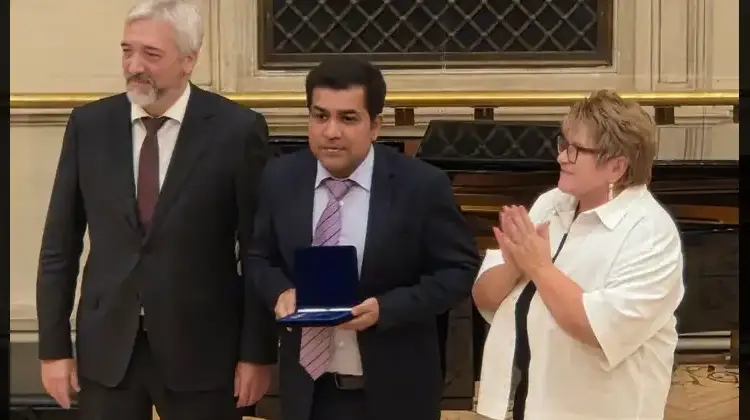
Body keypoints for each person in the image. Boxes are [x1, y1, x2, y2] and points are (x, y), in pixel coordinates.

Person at [35, 1, 276, 419]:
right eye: (127, 51)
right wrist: (53, 349)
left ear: (188, 61)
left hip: (202, 352)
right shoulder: (90, 125)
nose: (134, 66)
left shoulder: (237, 131)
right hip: (108, 350)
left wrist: (257, 353)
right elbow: (60, 245)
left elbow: (258, 250)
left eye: (151, 54)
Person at [247, 56, 480, 420]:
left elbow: (459, 271)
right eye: (320, 116)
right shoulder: (280, 178)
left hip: (395, 393)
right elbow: (259, 258)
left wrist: (387, 309)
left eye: (348, 118)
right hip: (308, 394)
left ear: (375, 126)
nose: (331, 131)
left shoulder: (421, 186)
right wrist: (280, 292)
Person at [472, 90, 685, 420]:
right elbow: (484, 298)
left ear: (616, 167)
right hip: (533, 402)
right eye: (563, 143)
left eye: (576, 150)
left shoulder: (650, 233)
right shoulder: (551, 203)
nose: (561, 157)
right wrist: (514, 266)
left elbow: (599, 329)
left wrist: (538, 267)